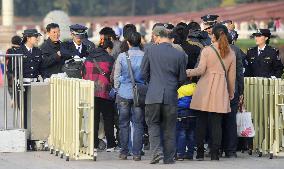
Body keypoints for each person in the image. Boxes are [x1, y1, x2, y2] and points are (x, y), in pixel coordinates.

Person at [186, 24, 236, 161]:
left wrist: (188, 72)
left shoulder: (207, 50)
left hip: (205, 88)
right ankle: (215, 154)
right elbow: (231, 77)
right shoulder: (231, 53)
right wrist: (231, 93)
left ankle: (200, 154)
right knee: (216, 123)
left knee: (201, 122)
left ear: (213, 36)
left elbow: (201, 70)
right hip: (221, 88)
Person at [141, 25, 187, 164]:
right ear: (171, 38)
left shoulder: (150, 50)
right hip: (170, 95)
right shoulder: (179, 54)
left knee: (153, 124)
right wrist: (173, 87)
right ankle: (168, 158)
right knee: (169, 127)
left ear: (158, 37)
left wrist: (152, 84)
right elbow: (182, 78)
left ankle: (156, 152)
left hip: (153, 94)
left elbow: (143, 73)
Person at [114, 32, 145, 161]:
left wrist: (117, 88)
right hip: (139, 94)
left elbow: (116, 76)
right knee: (138, 124)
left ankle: (124, 152)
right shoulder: (145, 56)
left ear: (127, 43)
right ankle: (137, 153)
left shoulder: (122, 56)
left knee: (123, 124)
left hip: (123, 93)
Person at [82, 37, 116, 153]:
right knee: (108, 119)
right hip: (105, 92)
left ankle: (94, 144)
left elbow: (83, 74)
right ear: (107, 48)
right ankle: (111, 144)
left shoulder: (88, 58)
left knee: (94, 119)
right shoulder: (110, 59)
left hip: (91, 92)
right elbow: (112, 76)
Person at [221, 33, 245, 158]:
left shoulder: (211, 48)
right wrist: (241, 91)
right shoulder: (235, 50)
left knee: (217, 119)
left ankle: (218, 148)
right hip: (233, 88)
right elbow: (239, 72)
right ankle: (231, 150)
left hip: (218, 89)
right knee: (231, 120)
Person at [14, 29, 43, 129]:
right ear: (28, 38)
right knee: (25, 111)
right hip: (23, 86)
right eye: (35, 37)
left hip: (35, 85)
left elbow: (41, 69)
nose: (37, 39)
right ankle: (26, 136)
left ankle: (34, 136)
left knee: (35, 111)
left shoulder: (38, 51)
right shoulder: (19, 51)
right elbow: (12, 69)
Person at [175, 83, 197, 161]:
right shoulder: (196, 87)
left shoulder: (179, 89)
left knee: (181, 133)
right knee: (191, 134)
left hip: (182, 113)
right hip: (193, 113)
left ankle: (180, 154)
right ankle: (190, 154)